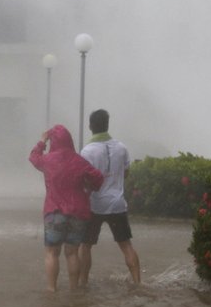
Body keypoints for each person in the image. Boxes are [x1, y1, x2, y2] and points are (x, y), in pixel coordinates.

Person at [29, 124, 104, 292]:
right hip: (78, 213)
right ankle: (73, 290)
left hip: (54, 212)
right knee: (72, 253)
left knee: (51, 253)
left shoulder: (47, 160)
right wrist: (89, 187)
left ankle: (51, 290)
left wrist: (42, 142)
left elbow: (33, 157)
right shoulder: (80, 161)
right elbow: (98, 178)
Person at [78, 109, 141, 286]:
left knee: (86, 245)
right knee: (126, 245)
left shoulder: (87, 151)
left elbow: (84, 179)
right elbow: (126, 172)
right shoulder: (121, 148)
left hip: (94, 205)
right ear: (107, 124)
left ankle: (83, 283)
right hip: (117, 204)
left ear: (90, 126)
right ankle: (138, 283)